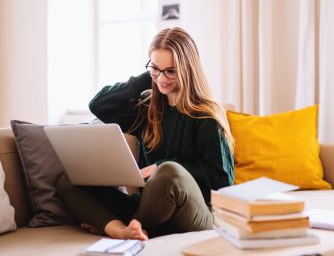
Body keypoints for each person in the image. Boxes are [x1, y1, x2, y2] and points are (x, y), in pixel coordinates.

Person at [56, 27, 235, 240]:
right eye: (155, 69)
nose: (162, 78)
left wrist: (161, 167)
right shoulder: (146, 109)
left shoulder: (206, 115)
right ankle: (123, 230)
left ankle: (129, 226)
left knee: (169, 172)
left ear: (187, 69)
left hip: (197, 212)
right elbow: (99, 105)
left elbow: (222, 180)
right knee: (69, 179)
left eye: (171, 71)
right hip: (150, 207)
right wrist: (148, 76)